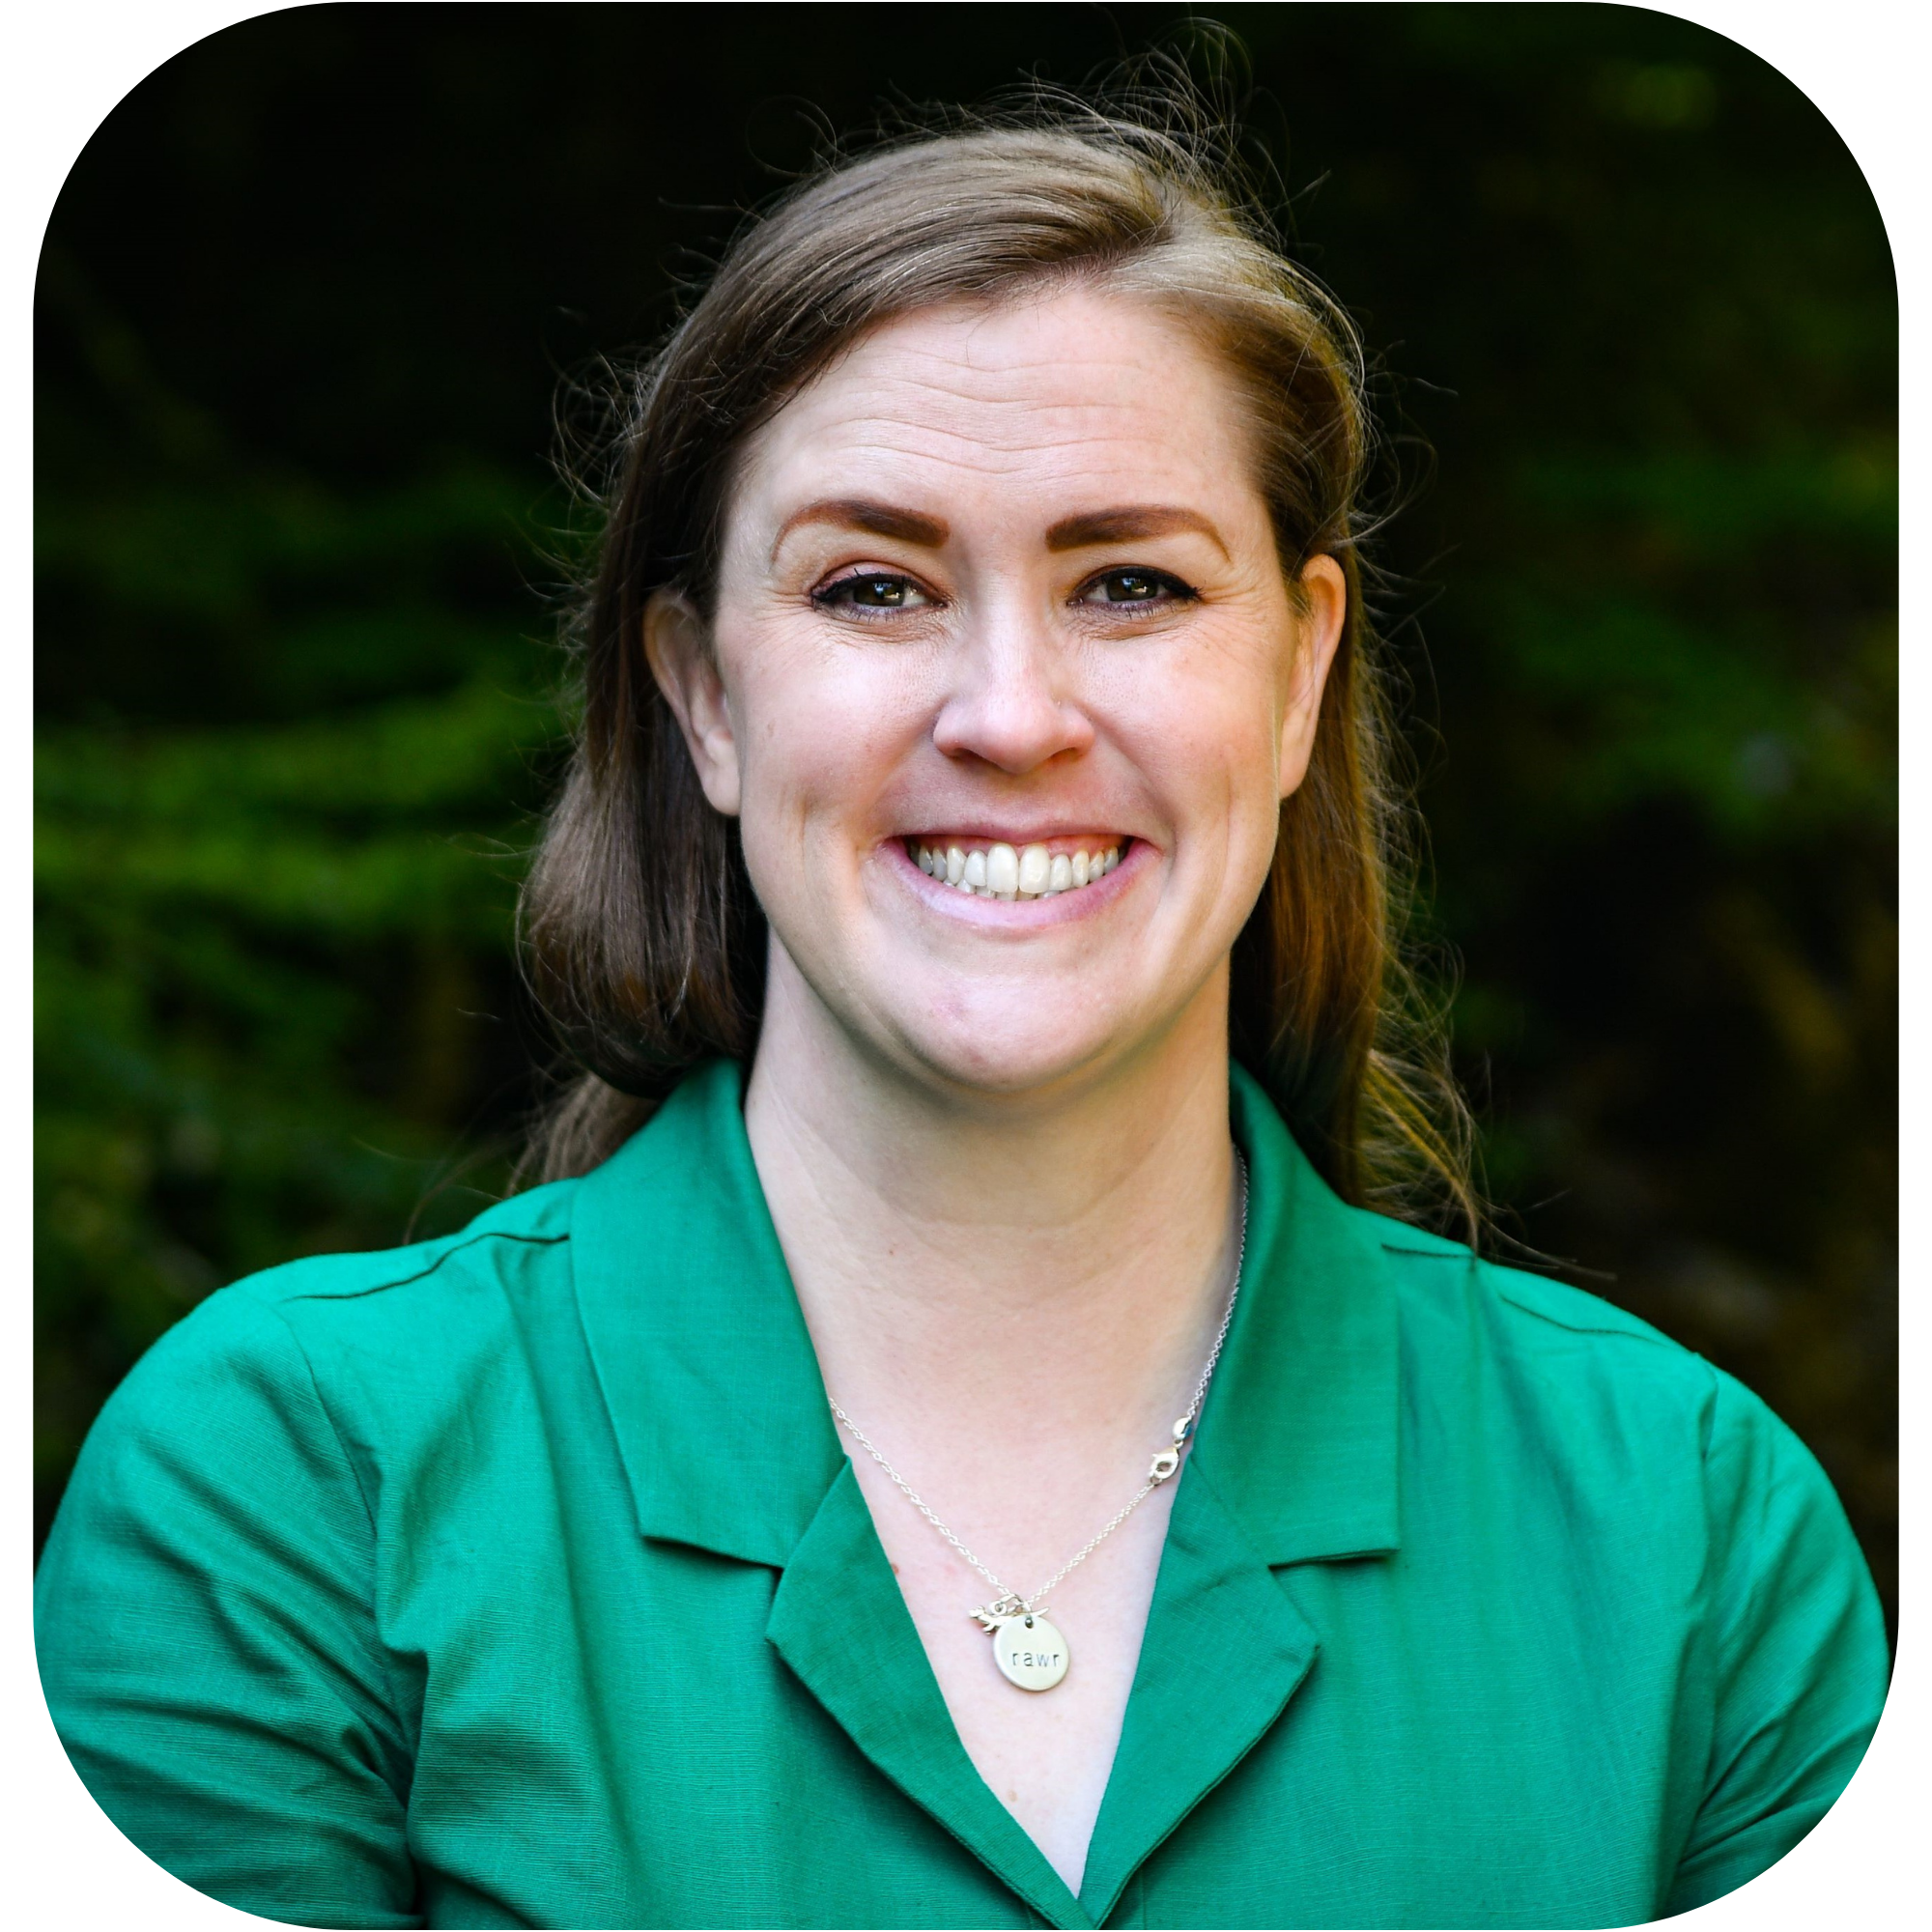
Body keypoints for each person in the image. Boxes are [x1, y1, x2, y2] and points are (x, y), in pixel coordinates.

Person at [35, 99, 1888, 1931]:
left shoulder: (1687, 1537)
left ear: (1303, 670)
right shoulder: (298, 1486)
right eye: (874, 586)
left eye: (1134, 585)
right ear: (704, 701)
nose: (1011, 712)